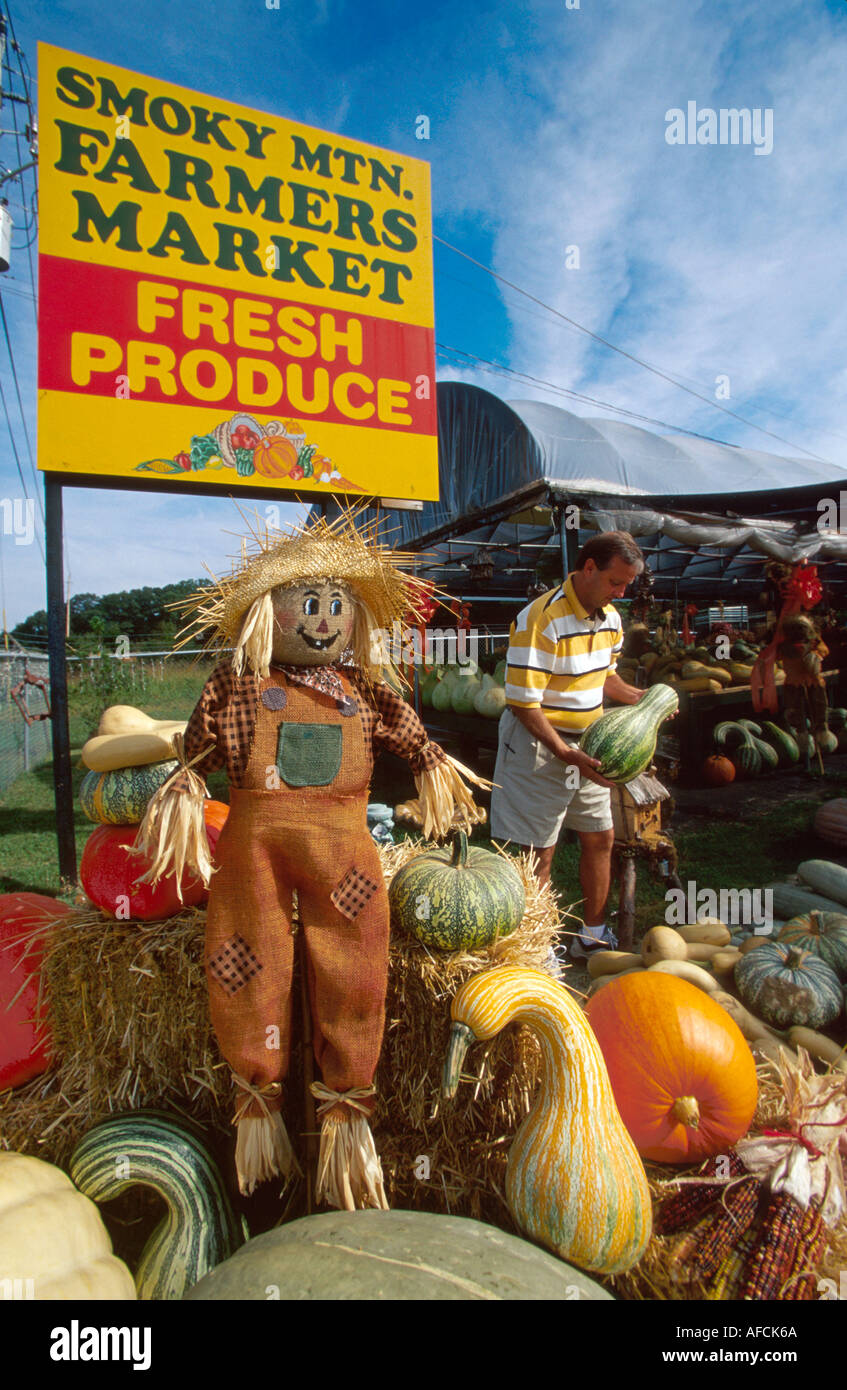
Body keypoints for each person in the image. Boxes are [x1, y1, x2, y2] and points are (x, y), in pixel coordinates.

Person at [489, 531, 645, 958]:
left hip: (590, 747)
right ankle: (535, 949)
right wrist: (563, 751)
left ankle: (591, 937)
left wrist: (640, 700)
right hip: (539, 746)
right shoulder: (540, 618)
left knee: (601, 838)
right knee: (539, 848)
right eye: (616, 582)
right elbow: (523, 702)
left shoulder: (611, 618)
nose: (621, 592)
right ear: (588, 567)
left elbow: (605, 676)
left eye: (627, 584)